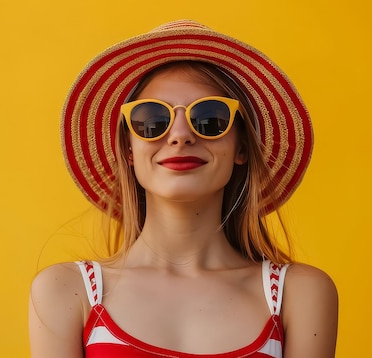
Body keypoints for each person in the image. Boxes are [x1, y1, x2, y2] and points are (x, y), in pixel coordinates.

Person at [29, 20, 338, 358]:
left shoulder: (300, 294)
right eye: (152, 120)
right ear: (130, 151)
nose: (180, 135)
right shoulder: (66, 292)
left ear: (242, 148)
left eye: (210, 118)